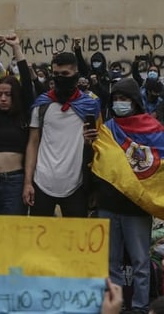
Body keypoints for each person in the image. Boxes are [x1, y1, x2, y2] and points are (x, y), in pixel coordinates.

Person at [95, 77, 164, 313]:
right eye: (116, 99)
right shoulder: (107, 129)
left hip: (137, 206)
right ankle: (115, 306)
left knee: (141, 261)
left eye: (124, 99)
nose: (120, 103)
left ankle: (141, 307)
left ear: (135, 101)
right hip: (109, 202)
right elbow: (99, 163)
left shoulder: (152, 127)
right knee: (111, 262)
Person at [24, 51, 101, 217]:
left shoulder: (90, 106)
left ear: (75, 74)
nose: (60, 78)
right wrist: (28, 182)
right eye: (56, 74)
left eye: (65, 74)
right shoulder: (42, 105)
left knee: (75, 240)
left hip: (77, 186)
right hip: (41, 183)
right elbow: (33, 143)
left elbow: (99, 145)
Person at [0, 35, 35, 215]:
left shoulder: (23, 113)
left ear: (15, 96)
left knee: (12, 234)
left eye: (8, 94)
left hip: (14, 182)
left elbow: (26, 81)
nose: (3, 98)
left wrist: (16, 48)